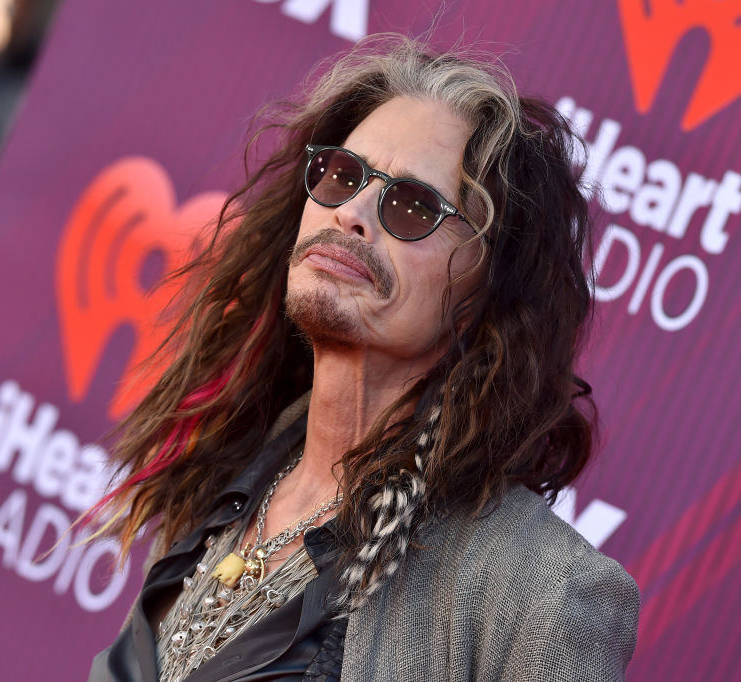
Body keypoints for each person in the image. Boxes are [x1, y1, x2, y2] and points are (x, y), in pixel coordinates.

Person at [86, 35, 640, 682]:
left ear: (489, 293)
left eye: (412, 207)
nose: (351, 212)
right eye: (342, 175)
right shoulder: (222, 475)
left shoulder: (542, 594)